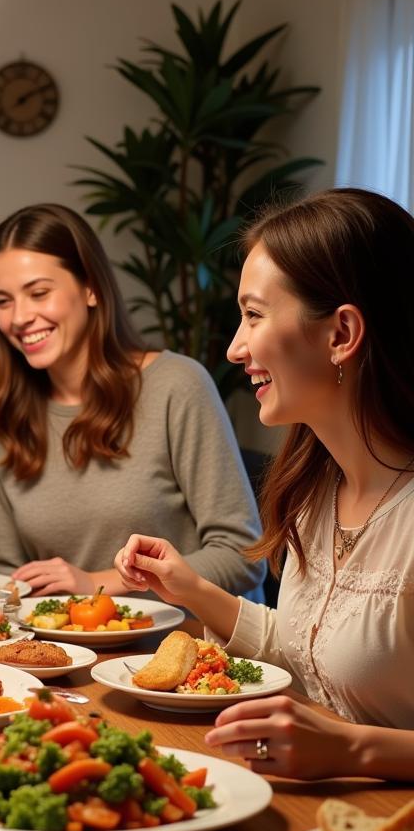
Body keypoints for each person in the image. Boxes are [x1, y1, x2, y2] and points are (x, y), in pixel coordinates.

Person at [114, 187, 414, 781]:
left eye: (253, 315)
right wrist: (192, 589)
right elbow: (308, 649)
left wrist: (355, 750)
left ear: (341, 334)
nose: (234, 347)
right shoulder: (315, 491)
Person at [0, 202, 265, 600]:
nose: (20, 316)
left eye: (39, 293)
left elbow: (243, 557)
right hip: (72, 653)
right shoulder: (1, 420)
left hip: (189, 649)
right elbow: (15, 579)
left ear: (90, 287)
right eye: (2, 301)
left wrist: (96, 584)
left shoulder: (176, 385)